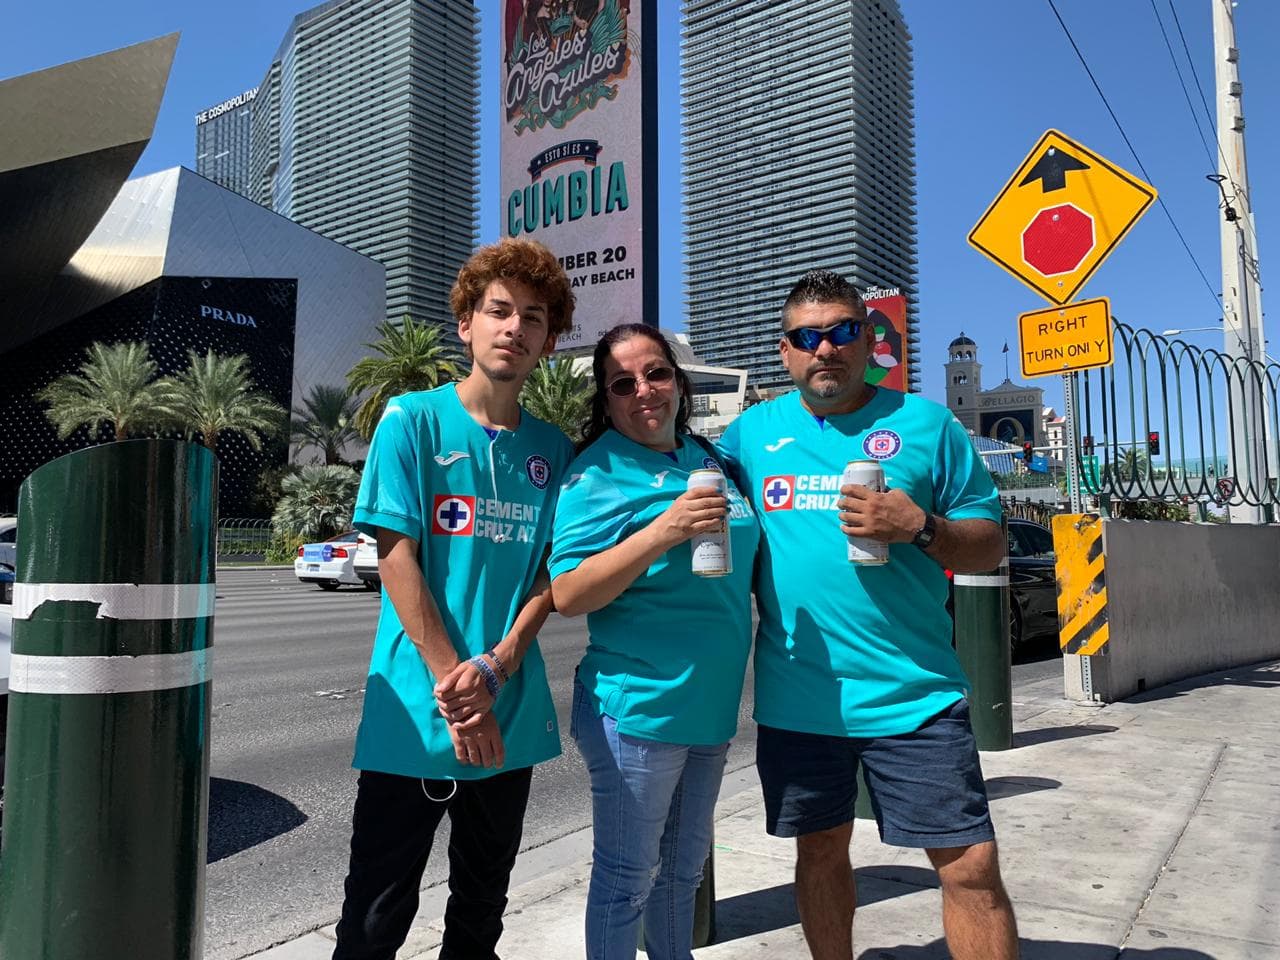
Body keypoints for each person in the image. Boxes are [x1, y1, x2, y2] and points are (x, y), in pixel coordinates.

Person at [718, 270, 1019, 960]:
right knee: (820, 855)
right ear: (785, 351)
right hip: (800, 699)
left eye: (843, 331)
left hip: (914, 695)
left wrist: (920, 528)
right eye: (807, 336)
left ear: (869, 340)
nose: (826, 349)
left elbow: (991, 544)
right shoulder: (749, 437)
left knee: (970, 866)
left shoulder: (926, 424)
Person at [332, 237, 576, 960]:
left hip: (511, 713)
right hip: (416, 713)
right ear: (466, 322)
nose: (515, 328)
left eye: (533, 318)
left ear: (549, 341)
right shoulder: (412, 421)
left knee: (480, 910)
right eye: (498, 310)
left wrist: (497, 668)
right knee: (375, 915)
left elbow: (551, 577)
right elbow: (397, 556)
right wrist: (456, 684)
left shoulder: (553, 451)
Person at [548, 324, 760, 960]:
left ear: (678, 380)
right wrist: (660, 532)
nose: (644, 390)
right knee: (625, 880)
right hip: (636, 708)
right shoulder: (595, 474)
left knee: (681, 878)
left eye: (656, 373)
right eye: (622, 382)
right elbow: (569, 594)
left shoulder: (711, 459)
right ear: (606, 399)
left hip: (711, 710)